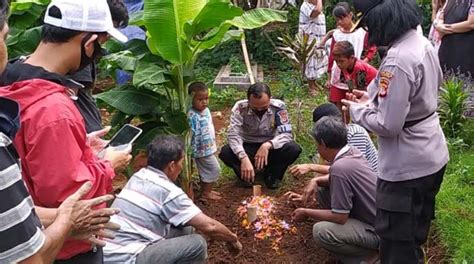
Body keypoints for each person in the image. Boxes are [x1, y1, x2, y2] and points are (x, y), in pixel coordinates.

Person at [0, 0, 132, 262]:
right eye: (100, 46)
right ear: (88, 42)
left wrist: (79, 148)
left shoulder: (11, 76)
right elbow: (71, 198)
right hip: (64, 249)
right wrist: (107, 163)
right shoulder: (54, 109)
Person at [342, 0, 450, 262]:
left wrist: (357, 112)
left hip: (406, 168)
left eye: (369, 24)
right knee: (414, 234)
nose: (369, 32)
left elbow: (389, 125)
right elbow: (413, 96)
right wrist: (371, 101)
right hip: (431, 153)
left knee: (396, 243)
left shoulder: (398, 59)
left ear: (382, 20)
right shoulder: (420, 42)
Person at [103, 135, 242, 264]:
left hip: (107, 252)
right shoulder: (169, 191)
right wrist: (232, 238)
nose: (182, 166)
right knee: (198, 245)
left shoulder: (139, 176)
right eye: (181, 162)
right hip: (127, 258)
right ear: (172, 166)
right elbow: (210, 226)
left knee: (185, 228)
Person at [0, 0, 129, 134]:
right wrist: (105, 156)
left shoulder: (9, 74)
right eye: (102, 41)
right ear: (90, 43)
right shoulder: (56, 111)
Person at [286, 117, 379, 263]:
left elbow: (339, 217)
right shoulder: (352, 152)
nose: (317, 148)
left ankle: (368, 257)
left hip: (377, 232)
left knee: (322, 231)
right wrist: (315, 180)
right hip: (378, 220)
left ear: (323, 144)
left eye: (317, 144)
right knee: (323, 190)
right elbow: (337, 181)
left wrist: (306, 213)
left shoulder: (340, 168)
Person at [290, 104, 379, 204]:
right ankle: (318, 199)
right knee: (318, 160)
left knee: (323, 179)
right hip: (349, 175)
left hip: (367, 184)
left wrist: (311, 168)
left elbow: (350, 170)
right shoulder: (336, 139)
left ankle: (341, 208)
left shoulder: (355, 133)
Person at [219, 82, 302, 189]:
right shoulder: (240, 108)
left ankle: (272, 174)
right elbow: (233, 135)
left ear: (270, 99)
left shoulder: (279, 107)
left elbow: (286, 134)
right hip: (247, 146)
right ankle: (246, 174)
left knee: (293, 149)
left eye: (263, 107)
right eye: (254, 108)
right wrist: (243, 157)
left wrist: (267, 145)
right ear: (248, 101)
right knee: (226, 152)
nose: (259, 110)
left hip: (271, 148)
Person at [67, 0, 129, 133]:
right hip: (84, 134)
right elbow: (70, 98)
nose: (107, 38)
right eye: (106, 33)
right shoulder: (79, 56)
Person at [319, 2, 377, 112]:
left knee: (355, 98)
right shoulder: (336, 34)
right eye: (337, 20)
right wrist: (329, 75)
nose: (339, 22)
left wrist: (365, 60)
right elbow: (332, 55)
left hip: (355, 70)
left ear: (350, 15)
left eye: (342, 18)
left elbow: (372, 47)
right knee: (339, 102)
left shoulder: (361, 32)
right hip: (339, 71)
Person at [187, 82, 222, 201]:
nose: (205, 102)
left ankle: (206, 191)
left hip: (208, 147)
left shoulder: (205, 110)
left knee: (205, 170)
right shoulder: (191, 115)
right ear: (191, 99)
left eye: (206, 98)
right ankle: (206, 193)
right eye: (200, 99)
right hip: (200, 150)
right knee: (213, 169)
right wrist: (193, 151)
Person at [436, 0, 474, 77]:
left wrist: (446, 28)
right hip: (447, 47)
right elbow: (441, 16)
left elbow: (471, 24)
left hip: (465, 49)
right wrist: (439, 25)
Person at [298, 0, 328, 95]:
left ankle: (314, 84)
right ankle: (311, 87)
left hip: (317, 38)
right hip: (309, 39)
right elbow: (317, 11)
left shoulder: (313, 5)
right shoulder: (305, 5)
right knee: (310, 62)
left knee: (318, 61)